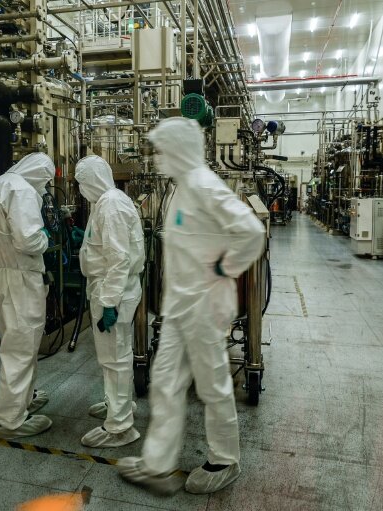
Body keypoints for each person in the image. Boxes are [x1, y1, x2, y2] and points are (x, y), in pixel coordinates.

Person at [116, 117, 266, 494]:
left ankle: (224, 460)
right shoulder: (181, 187)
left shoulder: (202, 184)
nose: (158, 158)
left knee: (213, 383)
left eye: (163, 150)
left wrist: (225, 266)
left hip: (203, 303)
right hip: (181, 305)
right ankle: (158, 464)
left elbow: (251, 232)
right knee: (166, 382)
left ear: (180, 150)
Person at [0, 153, 56, 439]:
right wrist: (46, 235)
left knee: (15, 340)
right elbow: (29, 240)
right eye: (45, 181)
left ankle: (25, 397)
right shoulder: (22, 191)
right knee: (21, 347)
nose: (45, 188)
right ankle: (11, 420)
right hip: (21, 277)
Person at [74, 155, 145, 448]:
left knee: (115, 358)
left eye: (81, 183)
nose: (80, 189)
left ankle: (120, 427)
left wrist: (109, 302)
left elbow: (119, 259)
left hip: (112, 291)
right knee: (114, 356)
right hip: (108, 288)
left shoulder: (111, 205)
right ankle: (118, 405)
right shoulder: (106, 201)